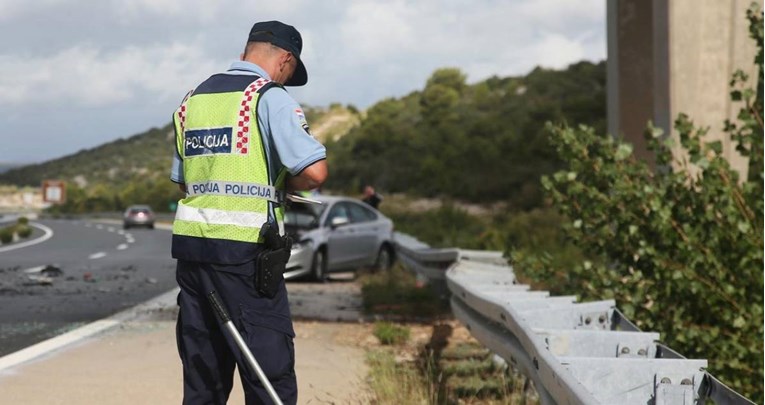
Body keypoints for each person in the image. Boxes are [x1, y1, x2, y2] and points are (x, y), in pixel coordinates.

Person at [168, 20, 327, 405]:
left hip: (193, 255)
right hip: (245, 258)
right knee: (268, 376)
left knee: (204, 378)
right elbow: (314, 172)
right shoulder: (268, 97)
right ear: (285, 60)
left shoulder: (193, 101)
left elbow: (183, 182)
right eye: (290, 73)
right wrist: (282, 187)